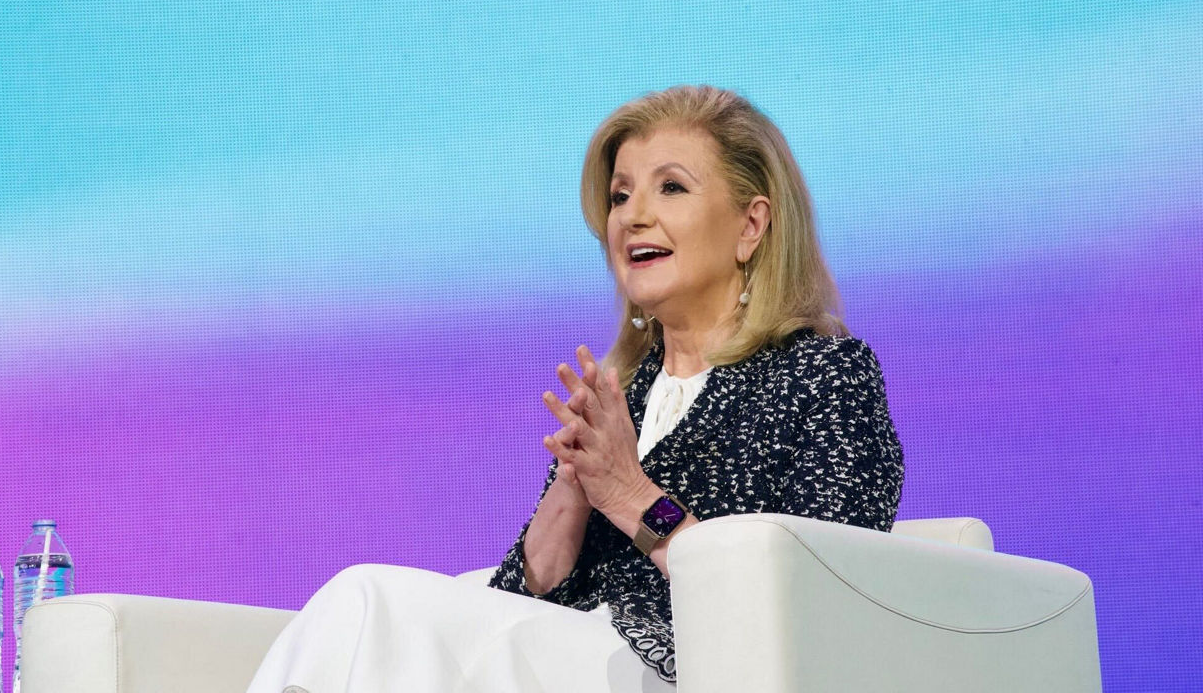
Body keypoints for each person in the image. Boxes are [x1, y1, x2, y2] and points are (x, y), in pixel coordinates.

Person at [246, 85, 904, 693]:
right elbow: (514, 601)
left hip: (686, 674)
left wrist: (630, 495)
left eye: (670, 187)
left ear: (750, 226)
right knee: (376, 620)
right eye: (619, 196)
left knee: (372, 605)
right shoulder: (626, 395)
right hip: (574, 658)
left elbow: (820, 599)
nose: (634, 216)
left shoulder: (822, 375)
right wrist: (572, 492)